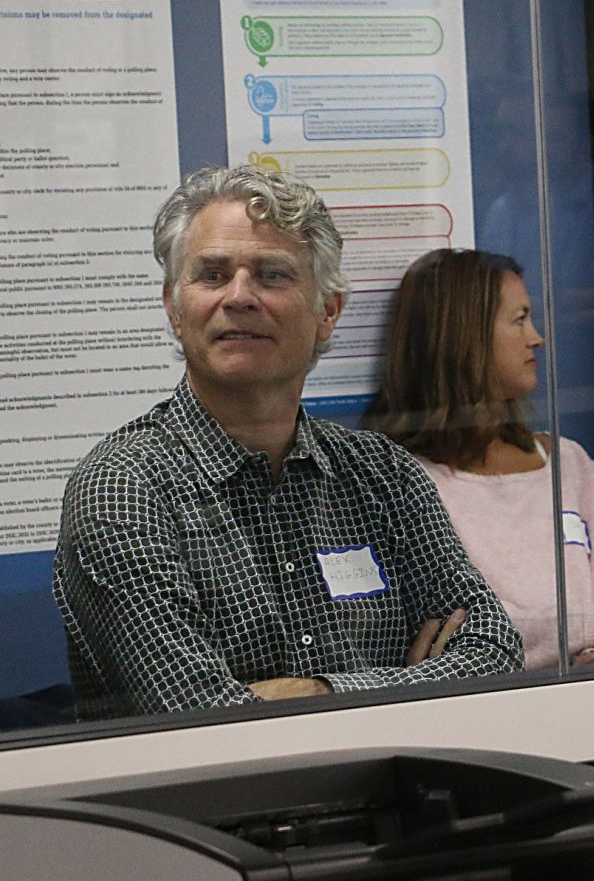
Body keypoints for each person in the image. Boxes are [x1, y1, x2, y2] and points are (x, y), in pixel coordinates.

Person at [52, 166, 524, 721]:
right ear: (174, 309)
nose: (239, 297)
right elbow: (201, 719)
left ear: (328, 312)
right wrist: (410, 683)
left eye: (272, 275)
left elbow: (494, 655)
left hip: (400, 790)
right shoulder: (123, 490)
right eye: (211, 275)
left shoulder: (382, 475)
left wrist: (318, 693)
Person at [364, 249, 594, 669]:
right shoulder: (403, 481)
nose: (536, 337)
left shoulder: (563, 461)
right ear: (465, 337)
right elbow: (461, 626)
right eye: (519, 320)